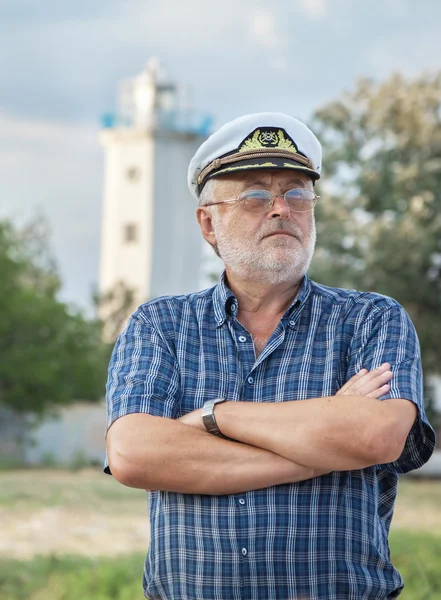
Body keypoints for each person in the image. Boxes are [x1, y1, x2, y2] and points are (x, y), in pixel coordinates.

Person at [105, 113, 435, 600]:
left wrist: (215, 416)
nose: (282, 209)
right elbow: (133, 453)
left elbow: (377, 436)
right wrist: (322, 451)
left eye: (298, 194)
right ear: (208, 223)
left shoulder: (371, 319)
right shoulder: (161, 326)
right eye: (256, 195)